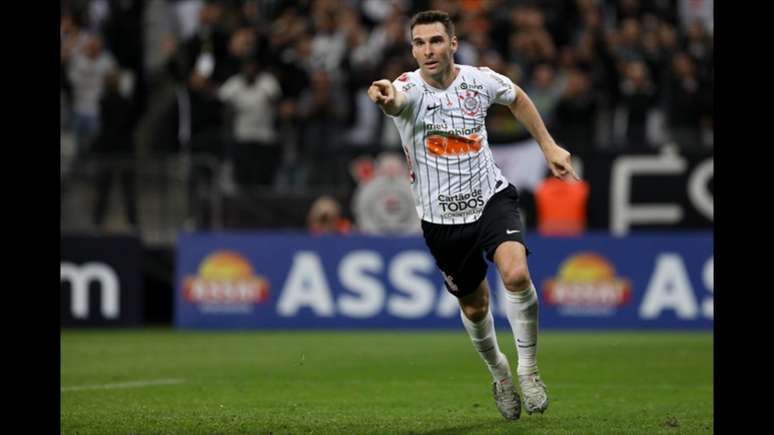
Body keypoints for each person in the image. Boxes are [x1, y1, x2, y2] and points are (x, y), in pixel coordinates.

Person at [367, 10, 579, 421]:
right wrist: (384, 96)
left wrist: (549, 147)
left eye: (435, 41)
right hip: (441, 221)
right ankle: (499, 372)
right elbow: (395, 100)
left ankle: (529, 370)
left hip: (490, 199)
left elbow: (516, 96)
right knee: (476, 307)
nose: (427, 50)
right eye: (419, 43)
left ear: (453, 44)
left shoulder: (479, 81)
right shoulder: (408, 88)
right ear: (412, 49)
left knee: (516, 275)